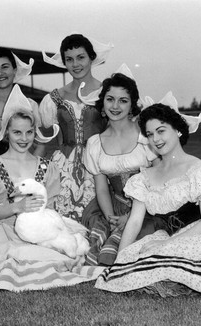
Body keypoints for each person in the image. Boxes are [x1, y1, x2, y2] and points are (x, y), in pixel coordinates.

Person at [95, 93, 201, 297]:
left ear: (178, 130)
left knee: (166, 252)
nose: (156, 139)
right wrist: (120, 261)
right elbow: (134, 221)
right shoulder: (145, 177)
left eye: (161, 131)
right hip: (169, 235)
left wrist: (166, 243)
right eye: (150, 134)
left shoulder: (198, 170)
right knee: (141, 254)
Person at [0, 87, 103, 292]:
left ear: (35, 133)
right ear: (6, 132)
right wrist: (17, 207)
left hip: (38, 233)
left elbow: (50, 210)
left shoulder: (48, 167)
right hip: (1, 231)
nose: (24, 138)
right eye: (17, 132)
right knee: (15, 257)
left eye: (29, 132)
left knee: (56, 253)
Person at [83, 64, 157, 266]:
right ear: (103, 103)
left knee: (131, 251)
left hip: (148, 206)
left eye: (123, 101)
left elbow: (158, 181)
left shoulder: (145, 135)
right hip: (112, 206)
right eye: (110, 99)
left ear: (132, 104)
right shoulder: (95, 143)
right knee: (100, 249)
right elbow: (101, 188)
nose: (115, 106)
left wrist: (132, 215)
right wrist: (111, 218)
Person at [39, 33, 113, 225]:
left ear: (91, 58)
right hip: (63, 164)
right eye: (69, 60)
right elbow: (47, 139)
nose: (75, 64)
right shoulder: (55, 97)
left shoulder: (107, 92)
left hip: (97, 164)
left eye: (81, 57)